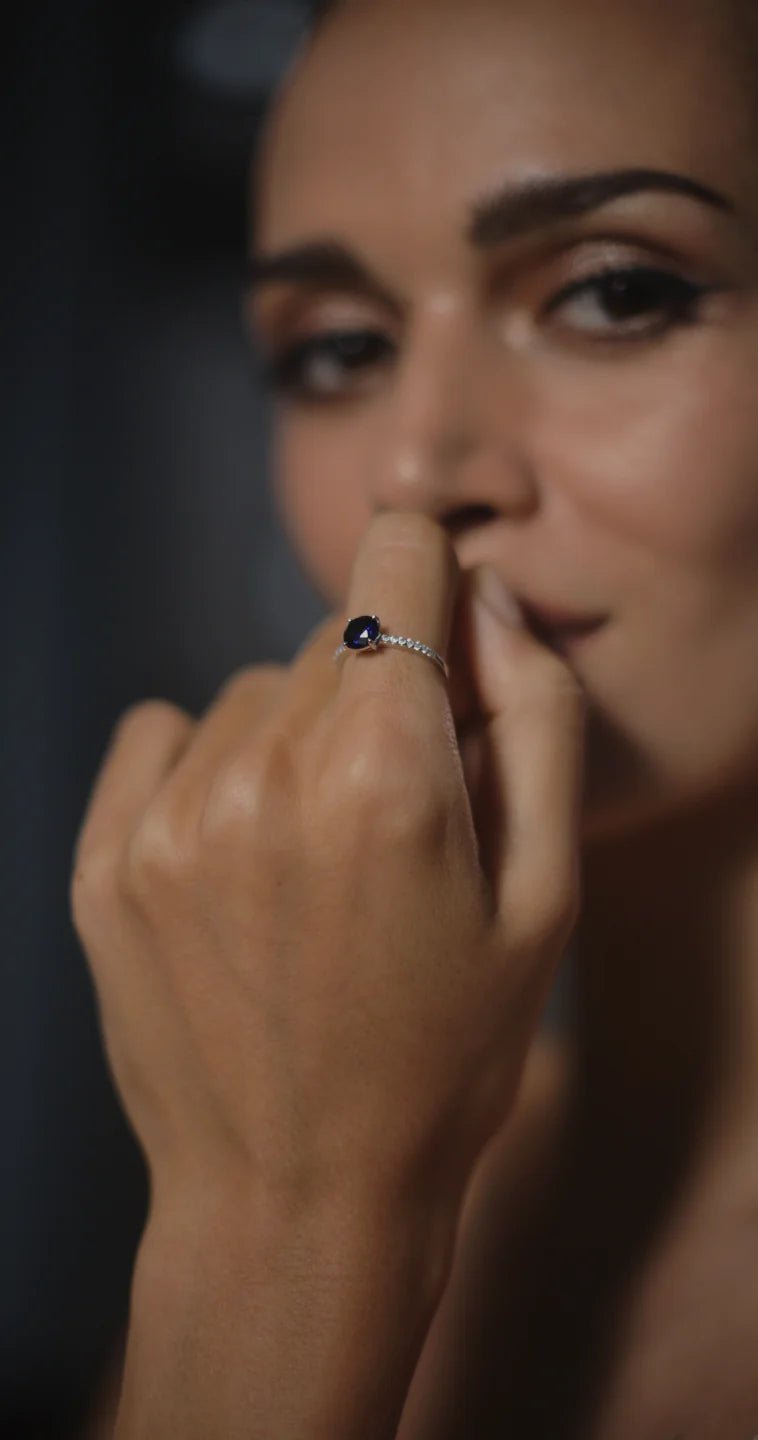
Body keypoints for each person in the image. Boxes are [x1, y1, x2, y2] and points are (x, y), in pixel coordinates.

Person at [73, 0, 758, 1435]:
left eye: (615, 292)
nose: (417, 462)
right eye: (337, 349)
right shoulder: (361, 1148)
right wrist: (275, 1216)